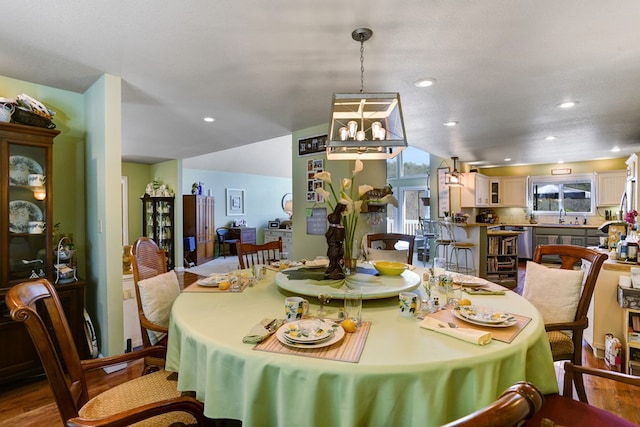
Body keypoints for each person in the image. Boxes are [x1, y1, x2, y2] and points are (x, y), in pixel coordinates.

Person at [324, 203, 346, 280]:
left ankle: (333, 271)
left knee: (336, 262)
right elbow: (339, 240)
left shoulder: (331, 231)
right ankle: (330, 271)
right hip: (335, 250)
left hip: (334, 250)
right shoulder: (335, 230)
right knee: (334, 263)